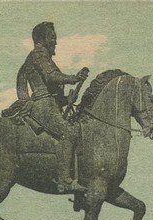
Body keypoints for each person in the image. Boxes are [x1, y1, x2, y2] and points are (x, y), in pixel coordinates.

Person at [7, 22, 90, 194]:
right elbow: (51, 77)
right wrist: (74, 78)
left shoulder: (43, 57)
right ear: (42, 39)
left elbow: (52, 91)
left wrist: (68, 99)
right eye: (52, 37)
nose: (55, 42)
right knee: (69, 132)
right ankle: (64, 180)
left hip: (50, 104)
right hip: (43, 106)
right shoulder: (38, 54)